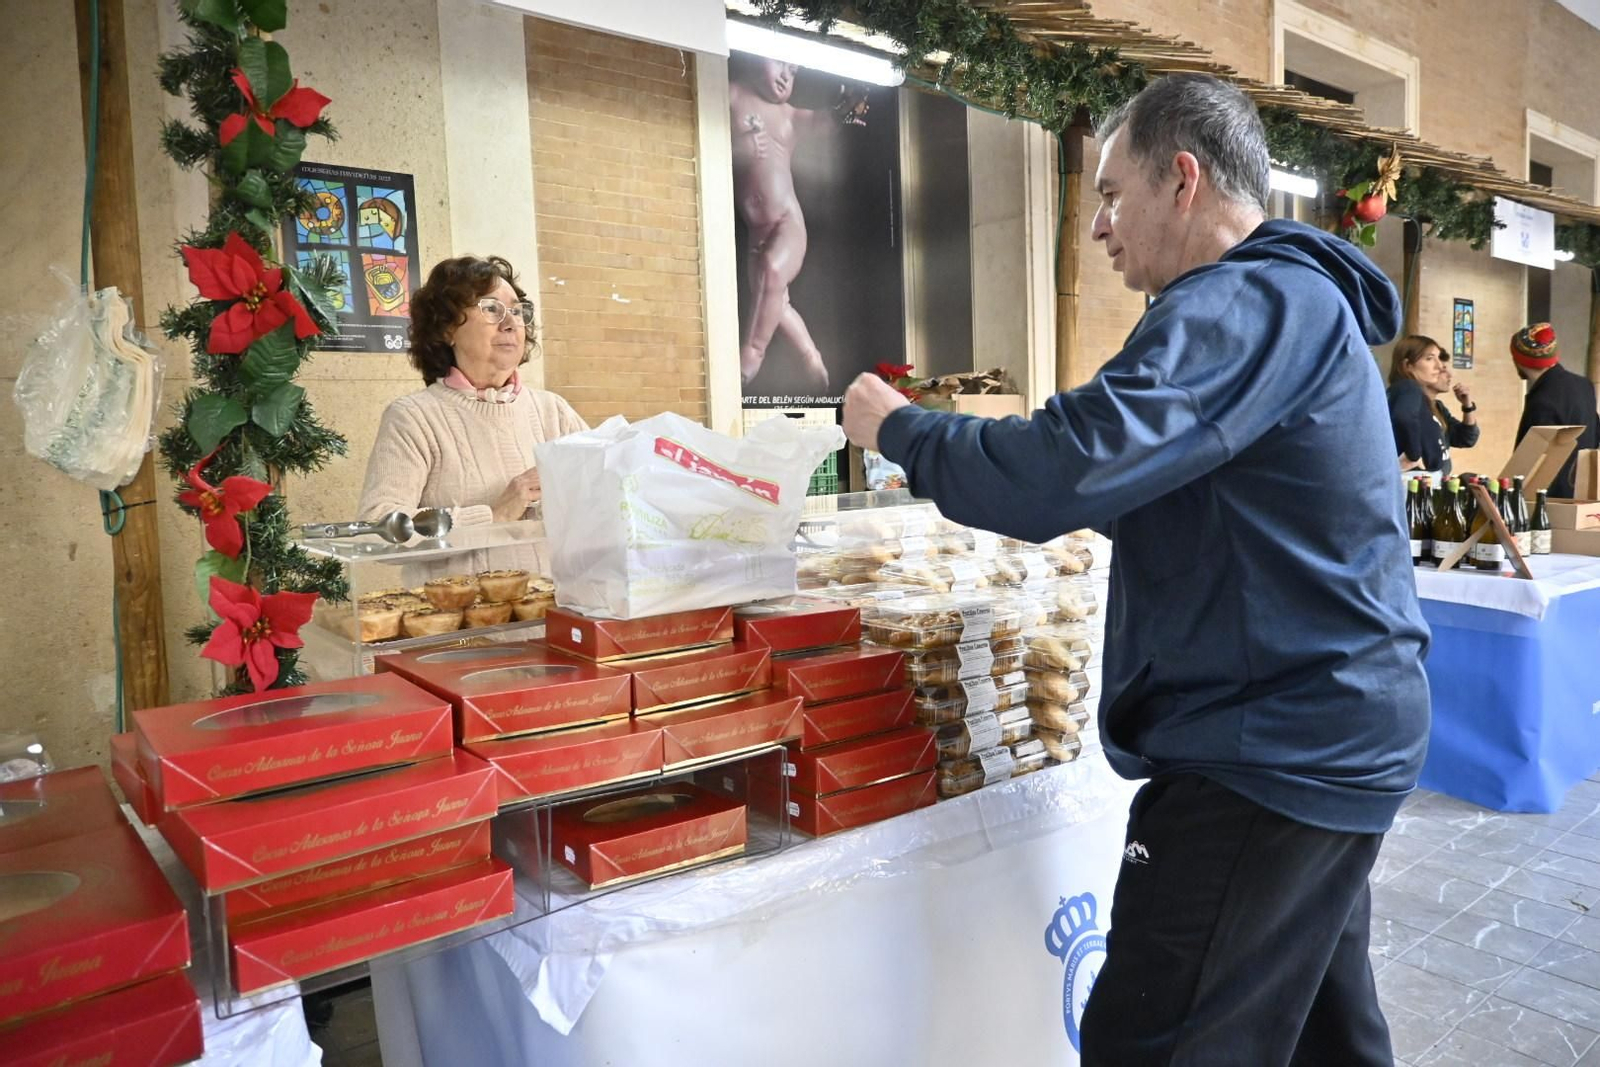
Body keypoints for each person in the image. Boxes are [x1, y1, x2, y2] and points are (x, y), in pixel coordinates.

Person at [842, 74, 1428, 1065]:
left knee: (1154, 1037)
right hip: (1330, 724)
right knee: (1326, 1032)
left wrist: (904, 430)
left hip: (1265, 749)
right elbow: (1202, 502)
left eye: (1112, 196)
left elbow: (1071, 462)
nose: (1100, 228)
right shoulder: (1289, 302)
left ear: (1184, 179)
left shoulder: (1243, 300)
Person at [357, 254, 588, 528]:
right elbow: (377, 524)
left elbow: (608, 498)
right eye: (491, 309)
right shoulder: (413, 418)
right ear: (446, 328)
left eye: (516, 311)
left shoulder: (553, 411)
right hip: (453, 574)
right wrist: (494, 515)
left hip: (546, 575)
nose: (510, 323)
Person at [728, 54, 867, 391]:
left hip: (788, 225)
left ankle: (751, 356)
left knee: (772, 273)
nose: (785, 78)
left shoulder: (790, 116)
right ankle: (810, 357)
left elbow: (824, 120)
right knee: (775, 301)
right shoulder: (731, 94)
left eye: (793, 72)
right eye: (780, 65)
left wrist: (850, 104)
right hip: (757, 231)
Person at [1512, 322, 1599, 498]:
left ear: (1519, 359)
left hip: (1552, 502)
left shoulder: (1542, 399)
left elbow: (1530, 461)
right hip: (1585, 494)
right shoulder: (1584, 385)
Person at [1386, 333, 1478, 476]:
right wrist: (1414, 455)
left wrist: (1467, 405)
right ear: (1407, 366)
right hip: (1416, 481)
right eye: (1429, 359)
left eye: (1438, 358)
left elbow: (1466, 438)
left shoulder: (1435, 406)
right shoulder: (1407, 388)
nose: (1440, 367)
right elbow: (1403, 417)